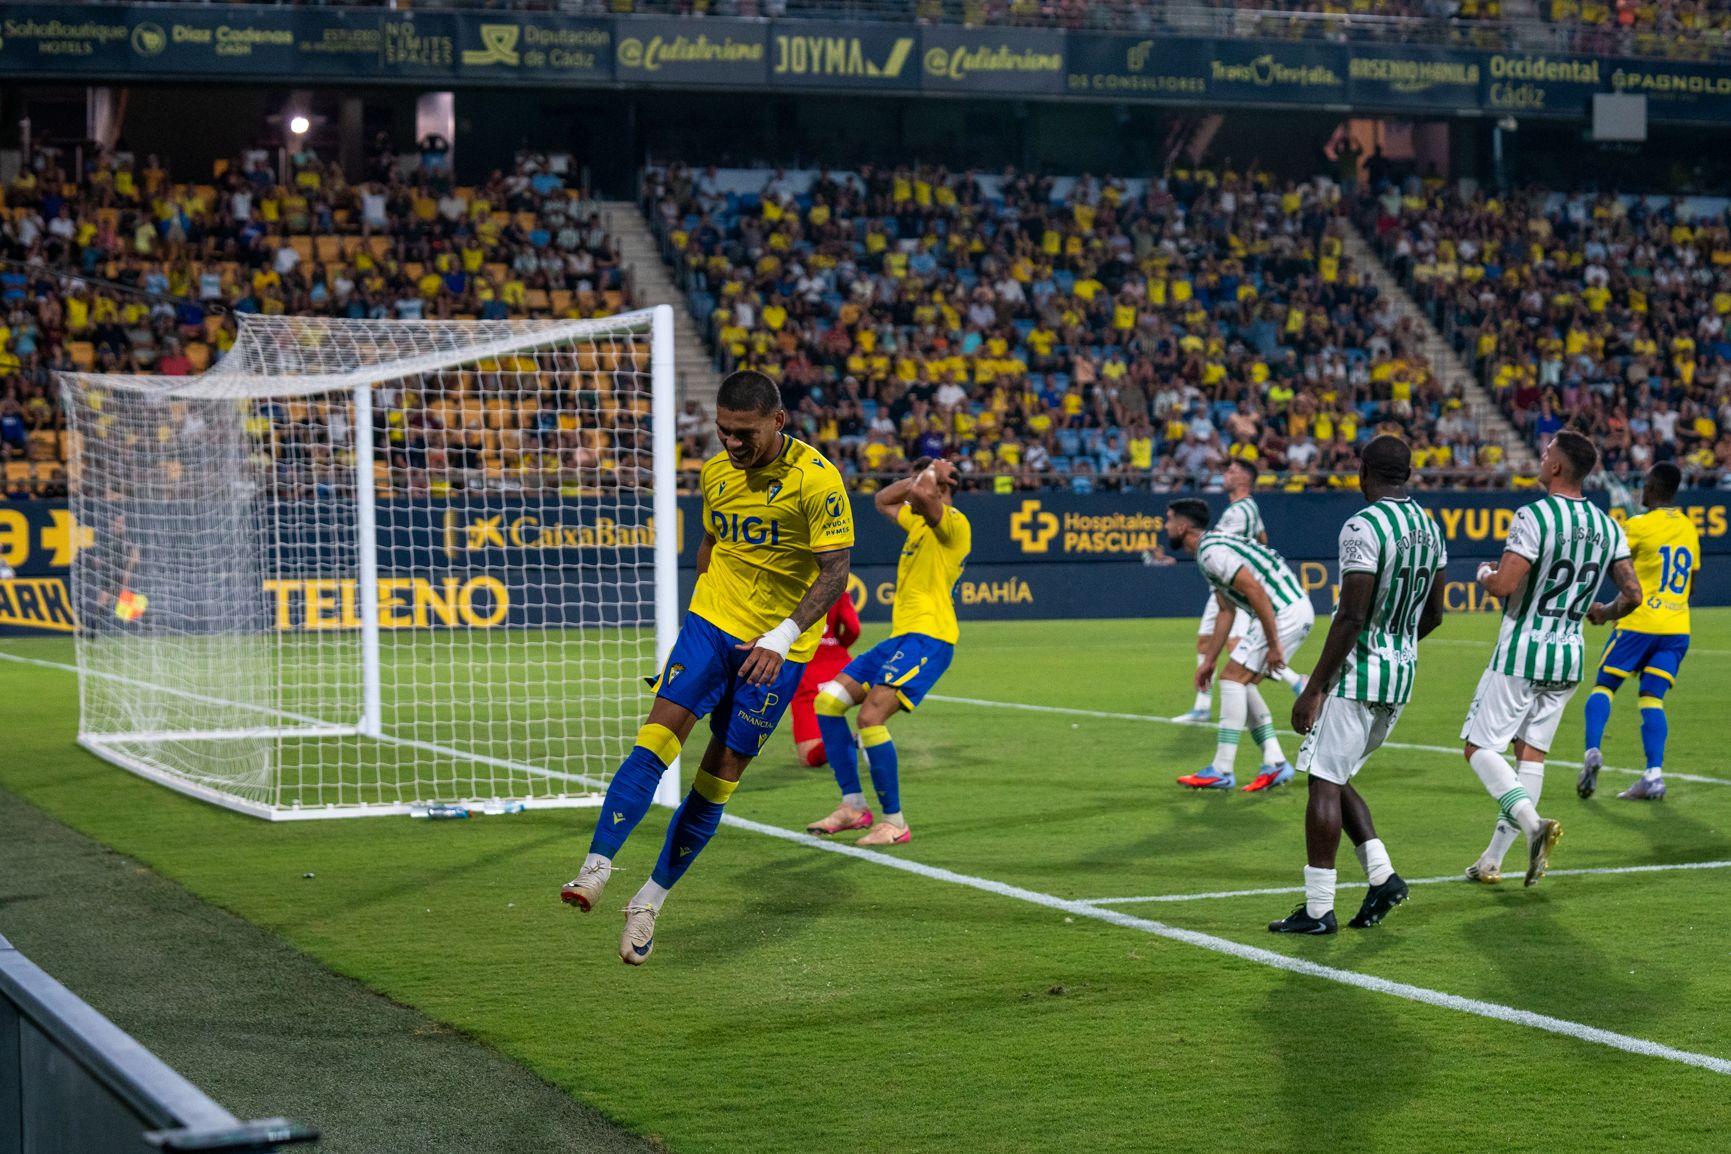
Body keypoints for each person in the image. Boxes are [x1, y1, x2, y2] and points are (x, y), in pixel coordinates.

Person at [560, 371, 853, 965]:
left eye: (744, 433)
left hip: (778, 650)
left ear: (778, 421)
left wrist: (782, 633)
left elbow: (835, 571)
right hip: (712, 625)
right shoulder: (716, 473)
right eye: (724, 432)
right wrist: (704, 605)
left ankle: (649, 900)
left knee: (716, 780)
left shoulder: (817, 483)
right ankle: (596, 866)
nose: (732, 444)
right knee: (655, 739)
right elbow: (711, 542)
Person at [1275, 436, 1447, 934]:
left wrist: (1315, 687)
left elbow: (1351, 615)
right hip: (1401, 676)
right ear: (1409, 474)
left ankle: (1316, 910)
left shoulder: (1363, 525)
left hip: (1357, 674)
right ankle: (1382, 877)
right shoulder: (1430, 528)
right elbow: (1435, 614)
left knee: (1323, 782)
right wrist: (1395, 646)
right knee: (1336, 772)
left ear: (1362, 472)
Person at [1461, 431, 1641, 887]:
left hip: (1524, 650)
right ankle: (1492, 861)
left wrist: (1483, 573)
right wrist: (1603, 613)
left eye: (1546, 454)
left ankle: (1534, 825)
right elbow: (1633, 594)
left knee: (1479, 747)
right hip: (1569, 655)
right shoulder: (1609, 525)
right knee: (1531, 757)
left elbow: (1504, 585)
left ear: (1558, 467)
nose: (1541, 459)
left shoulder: (1533, 516)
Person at [805, 457, 971, 846]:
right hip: (901, 638)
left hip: (930, 639)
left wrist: (932, 470)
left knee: (870, 717)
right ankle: (853, 806)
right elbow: (883, 499)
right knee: (827, 702)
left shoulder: (954, 524)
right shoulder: (917, 521)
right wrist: (924, 472)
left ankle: (894, 821)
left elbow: (916, 494)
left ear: (944, 488)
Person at [1166, 497, 1316, 793]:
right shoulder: (1210, 550)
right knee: (1242, 685)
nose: (1165, 525)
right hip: (1290, 610)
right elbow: (1226, 610)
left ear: (1182, 527)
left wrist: (1274, 645)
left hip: (1282, 612)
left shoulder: (1211, 552)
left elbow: (1255, 590)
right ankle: (1275, 762)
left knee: (1232, 678)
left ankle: (1222, 769)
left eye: (1168, 520)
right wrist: (1208, 660)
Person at [1579, 462, 1698, 801]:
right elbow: (1692, 583)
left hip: (1639, 622)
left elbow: (1613, 563)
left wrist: (1605, 610)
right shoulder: (1688, 527)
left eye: (1645, 485)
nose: (1641, 491)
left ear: (1652, 488)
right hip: (1677, 628)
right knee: (1651, 697)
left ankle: (1592, 751)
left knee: (1605, 685)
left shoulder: (1639, 526)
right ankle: (1654, 776)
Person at [1173, 459, 1306, 725]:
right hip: (1224, 583)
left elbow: (1219, 544)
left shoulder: (1240, 511)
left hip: (1236, 584)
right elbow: (1262, 538)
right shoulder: (1245, 509)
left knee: (1236, 651)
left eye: (1232, 471)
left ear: (1244, 480)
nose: (1226, 474)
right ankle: (1202, 704)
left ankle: (1296, 681)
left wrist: (1248, 563)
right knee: (1205, 640)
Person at [790, 594, 862, 768]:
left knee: (808, 756)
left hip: (808, 667)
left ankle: (847, 740)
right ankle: (872, 732)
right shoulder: (836, 584)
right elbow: (853, 628)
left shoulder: (793, 583)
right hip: (842, 666)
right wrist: (839, 646)